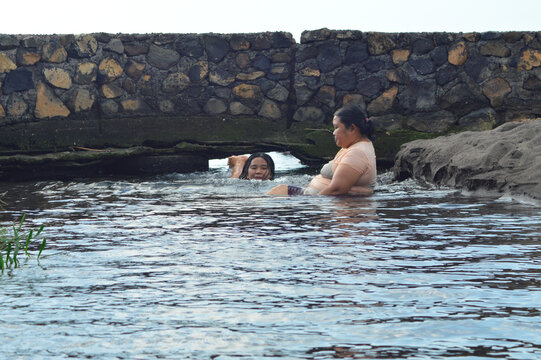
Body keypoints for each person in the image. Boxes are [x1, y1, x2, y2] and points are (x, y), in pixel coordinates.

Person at [267, 104, 376, 196]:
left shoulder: (356, 154)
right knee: (276, 192)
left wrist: (310, 205)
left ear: (352, 128)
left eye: (336, 127)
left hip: (315, 203)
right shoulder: (353, 147)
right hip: (309, 195)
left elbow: (337, 190)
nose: (333, 132)